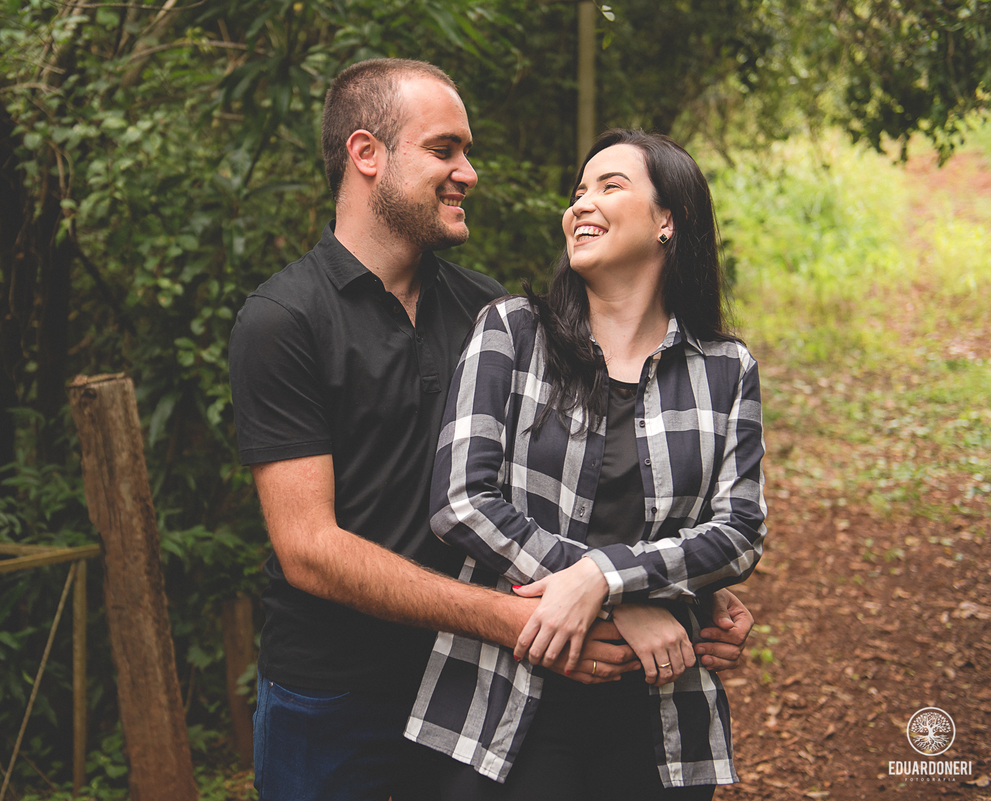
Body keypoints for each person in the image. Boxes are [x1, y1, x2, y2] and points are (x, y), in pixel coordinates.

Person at [229, 61, 755, 801]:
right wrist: (544, 610)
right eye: (444, 150)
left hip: (473, 686)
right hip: (335, 689)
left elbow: (584, 485)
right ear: (366, 154)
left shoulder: (495, 314)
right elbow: (309, 550)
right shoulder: (283, 320)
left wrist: (676, 593)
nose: (467, 173)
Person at [406, 129, 767, 800]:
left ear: (669, 221)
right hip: (501, 700)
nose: (581, 205)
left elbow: (740, 530)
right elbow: (461, 500)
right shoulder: (511, 332)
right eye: (578, 192)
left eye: (610, 186)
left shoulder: (725, 369)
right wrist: (620, 600)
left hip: (659, 710)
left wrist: (606, 578)